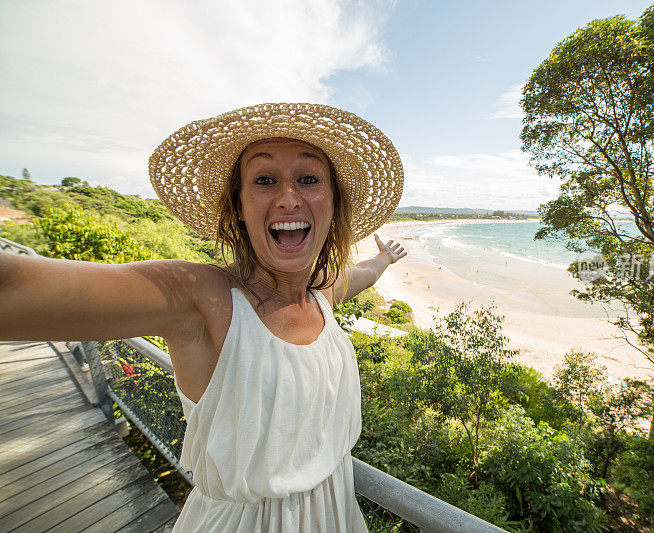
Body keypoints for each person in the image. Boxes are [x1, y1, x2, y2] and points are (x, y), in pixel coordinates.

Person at [0, 102, 407, 531]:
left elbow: (360, 274)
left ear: (333, 203)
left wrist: (384, 259)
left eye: (308, 179)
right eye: (264, 180)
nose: (288, 198)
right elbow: (14, 289)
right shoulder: (202, 298)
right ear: (239, 206)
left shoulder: (321, 292)